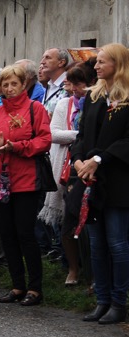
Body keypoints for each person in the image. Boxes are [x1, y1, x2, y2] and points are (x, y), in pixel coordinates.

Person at [0, 64, 53, 306]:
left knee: (25, 234)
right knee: (7, 235)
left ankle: (35, 287)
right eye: (5, 84)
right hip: (0, 181)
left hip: (26, 181)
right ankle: (17, 285)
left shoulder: (35, 108)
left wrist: (16, 147)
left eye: (14, 84)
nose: (9, 88)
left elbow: (45, 140)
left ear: (23, 85)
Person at [72, 43, 129, 324]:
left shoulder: (127, 99)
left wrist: (100, 159)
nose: (96, 66)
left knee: (117, 243)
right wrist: (78, 160)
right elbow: (82, 135)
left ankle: (119, 302)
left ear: (118, 64)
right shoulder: (93, 97)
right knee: (96, 244)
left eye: (102, 62)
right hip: (90, 180)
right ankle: (102, 300)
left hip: (118, 182)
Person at [42, 63, 96, 287]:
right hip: (67, 166)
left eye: (79, 84)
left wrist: (78, 137)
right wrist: (80, 135)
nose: (74, 89)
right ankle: (73, 268)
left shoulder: (96, 102)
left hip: (90, 167)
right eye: (71, 84)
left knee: (88, 223)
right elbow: (53, 133)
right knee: (67, 221)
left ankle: (93, 273)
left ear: (92, 83)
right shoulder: (65, 103)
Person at [38, 48, 71, 116]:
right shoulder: (49, 85)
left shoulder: (69, 84)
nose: (42, 62)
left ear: (61, 62)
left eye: (48, 58)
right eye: (43, 58)